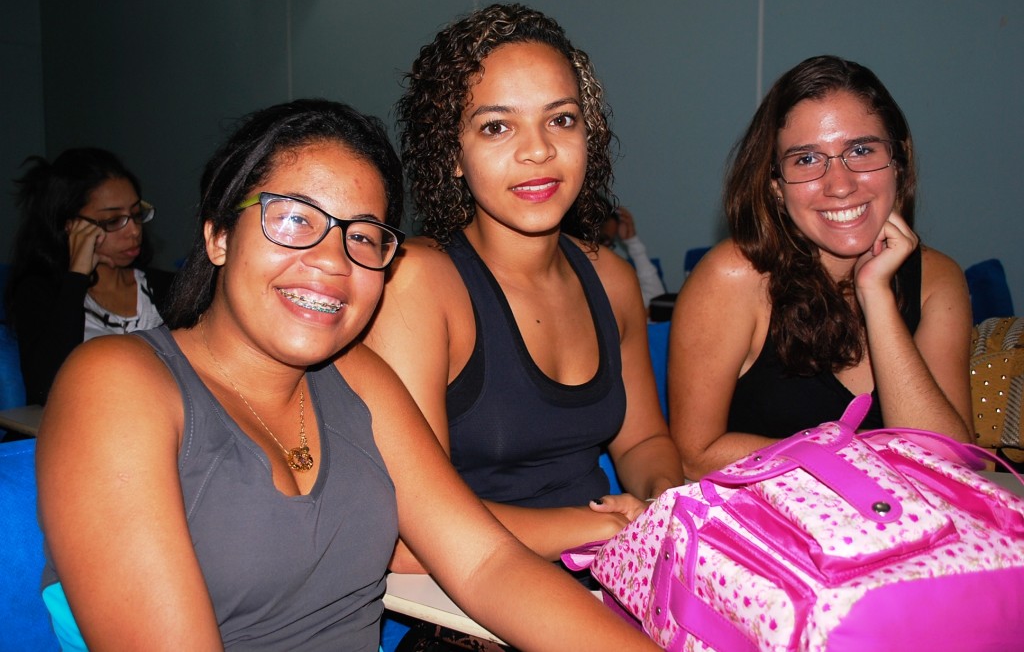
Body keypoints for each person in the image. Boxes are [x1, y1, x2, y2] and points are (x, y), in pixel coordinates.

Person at [35, 99, 661, 651]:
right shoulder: (117, 383)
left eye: (362, 237)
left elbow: (486, 563)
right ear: (219, 234)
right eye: (294, 219)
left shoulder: (358, 377)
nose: (332, 261)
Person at [364, 2, 684, 579]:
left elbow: (642, 442)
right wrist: (597, 529)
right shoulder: (421, 284)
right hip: (469, 593)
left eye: (561, 119)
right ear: (452, 154)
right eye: (496, 126)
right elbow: (409, 527)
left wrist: (661, 501)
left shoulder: (611, 279)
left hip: (613, 568)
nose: (538, 150)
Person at [668, 55, 973, 479]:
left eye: (861, 151)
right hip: (766, 517)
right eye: (807, 160)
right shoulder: (734, 276)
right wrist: (857, 461)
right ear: (776, 186)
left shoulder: (937, 280)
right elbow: (694, 454)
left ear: (898, 163)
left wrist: (876, 295)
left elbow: (951, 463)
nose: (840, 185)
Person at [4, 147, 173, 404]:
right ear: (71, 226)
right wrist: (77, 277)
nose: (134, 231)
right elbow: (45, 388)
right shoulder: (42, 292)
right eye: (113, 221)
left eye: (136, 214)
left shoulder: (166, 286)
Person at [597, 206, 667, 311]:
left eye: (609, 243)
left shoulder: (611, 274)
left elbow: (656, 303)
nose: (605, 249)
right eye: (602, 239)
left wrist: (632, 242)